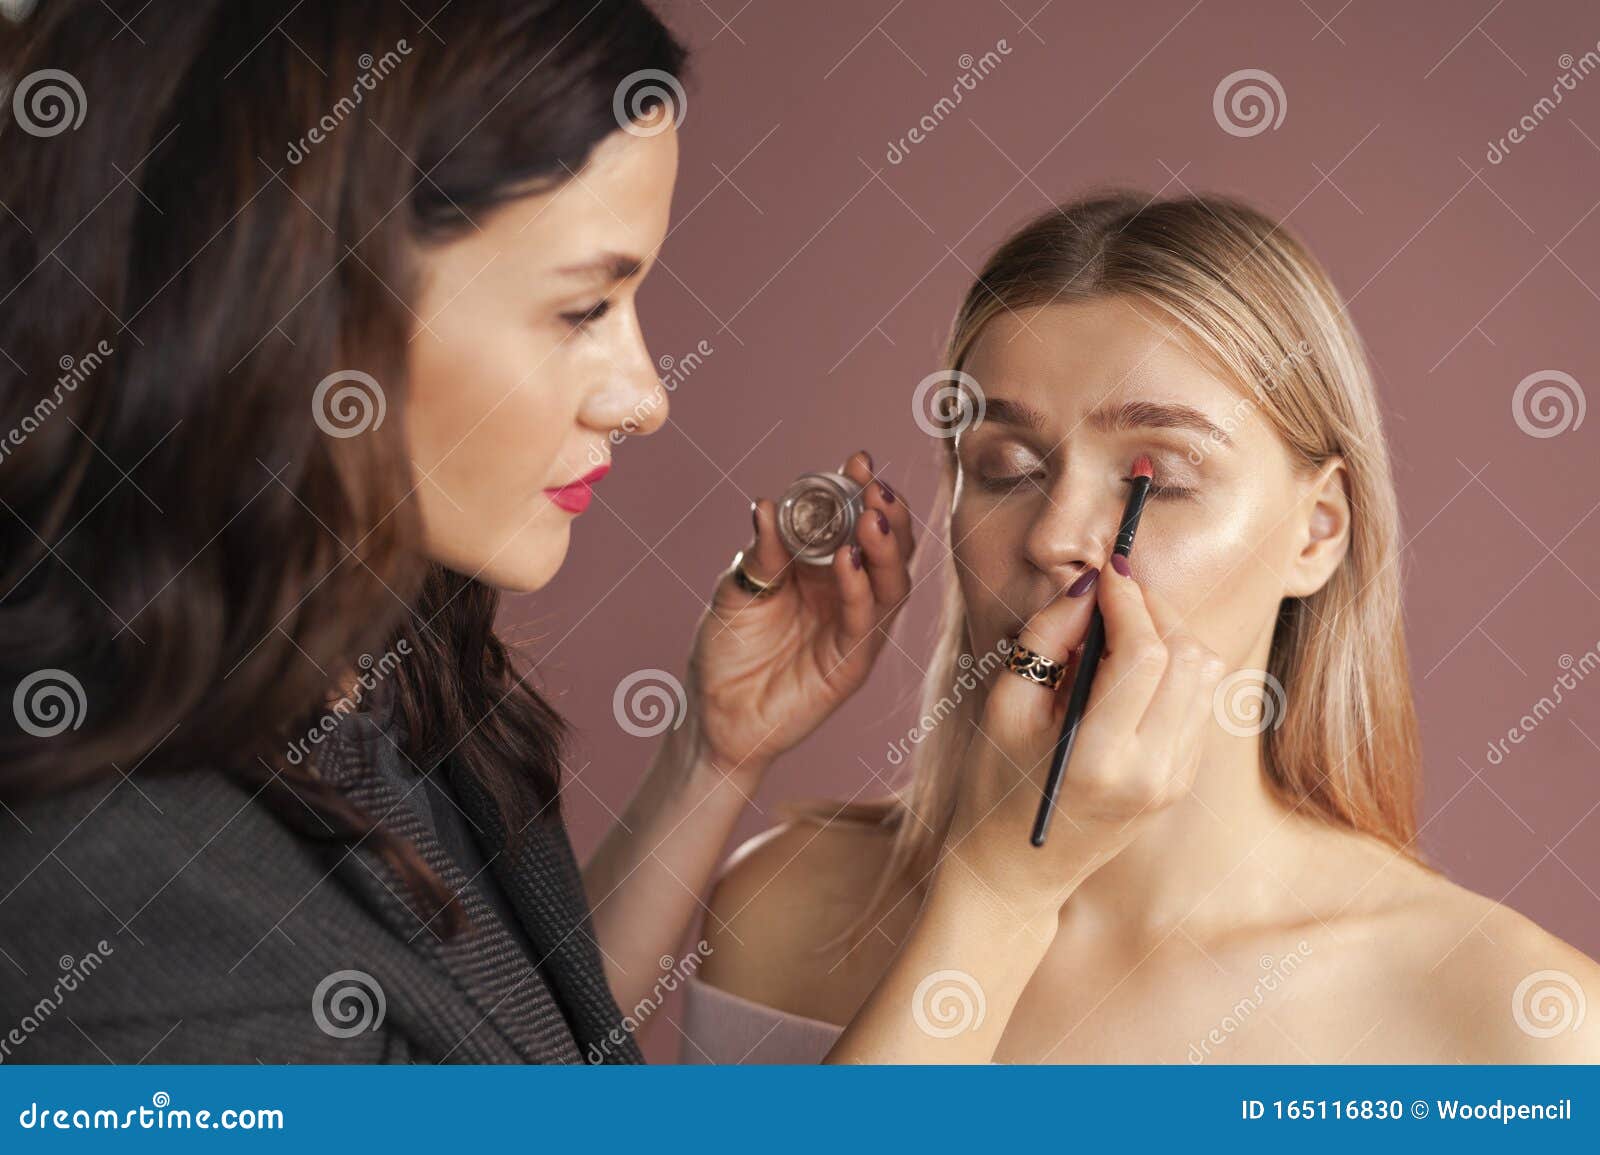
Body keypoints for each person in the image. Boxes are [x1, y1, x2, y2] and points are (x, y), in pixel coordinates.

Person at [686, 193, 1600, 1064]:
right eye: (1004, 467)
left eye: (1155, 483)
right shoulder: (783, 913)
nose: (1052, 538)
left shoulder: (1517, 1024)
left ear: (1317, 531)